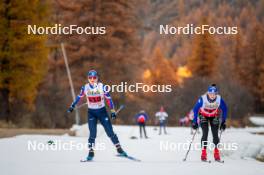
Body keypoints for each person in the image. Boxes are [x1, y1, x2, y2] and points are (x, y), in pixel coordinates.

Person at [67, 70, 127, 161]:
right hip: (91, 113)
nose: (92, 79)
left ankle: (119, 149)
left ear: (97, 78)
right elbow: (78, 97)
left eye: (94, 77)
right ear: (88, 79)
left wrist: (113, 111)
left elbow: (109, 99)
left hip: (102, 112)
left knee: (109, 132)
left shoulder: (102, 87)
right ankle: (91, 153)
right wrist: (72, 106)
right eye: (90, 78)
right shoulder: (85, 88)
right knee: (92, 134)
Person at [192, 84, 227, 161]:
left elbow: (225, 109)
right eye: (210, 94)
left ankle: (216, 153)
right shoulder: (202, 99)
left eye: (214, 94)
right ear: (208, 93)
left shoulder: (219, 99)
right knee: (205, 132)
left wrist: (223, 122)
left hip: (214, 116)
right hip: (203, 115)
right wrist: (195, 122)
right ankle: (203, 153)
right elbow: (195, 109)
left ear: (216, 94)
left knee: (215, 134)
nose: (212, 95)